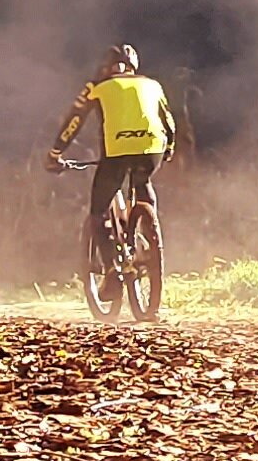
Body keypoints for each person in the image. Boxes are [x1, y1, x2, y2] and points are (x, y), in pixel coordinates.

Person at [48, 45, 182, 283]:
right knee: (143, 182)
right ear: (133, 66)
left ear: (105, 66)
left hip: (116, 153)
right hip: (152, 150)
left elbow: (74, 121)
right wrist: (169, 148)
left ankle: (112, 271)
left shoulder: (97, 87)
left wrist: (56, 153)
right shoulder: (153, 85)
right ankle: (148, 233)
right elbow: (168, 121)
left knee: (98, 211)